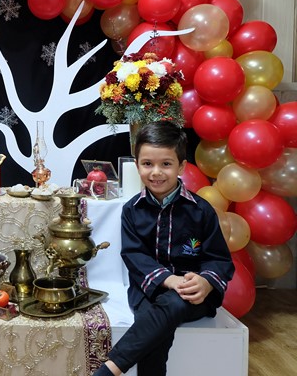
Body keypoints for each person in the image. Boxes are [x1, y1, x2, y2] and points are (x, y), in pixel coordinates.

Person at [93, 121, 234, 376]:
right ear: (137, 165)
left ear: (181, 166)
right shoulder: (132, 210)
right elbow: (134, 255)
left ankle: (109, 369)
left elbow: (220, 260)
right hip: (148, 290)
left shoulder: (201, 210)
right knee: (154, 330)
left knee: (174, 304)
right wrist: (168, 280)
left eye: (166, 164)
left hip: (193, 294)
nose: (156, 172)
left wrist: (205, 282)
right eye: (147, 164)